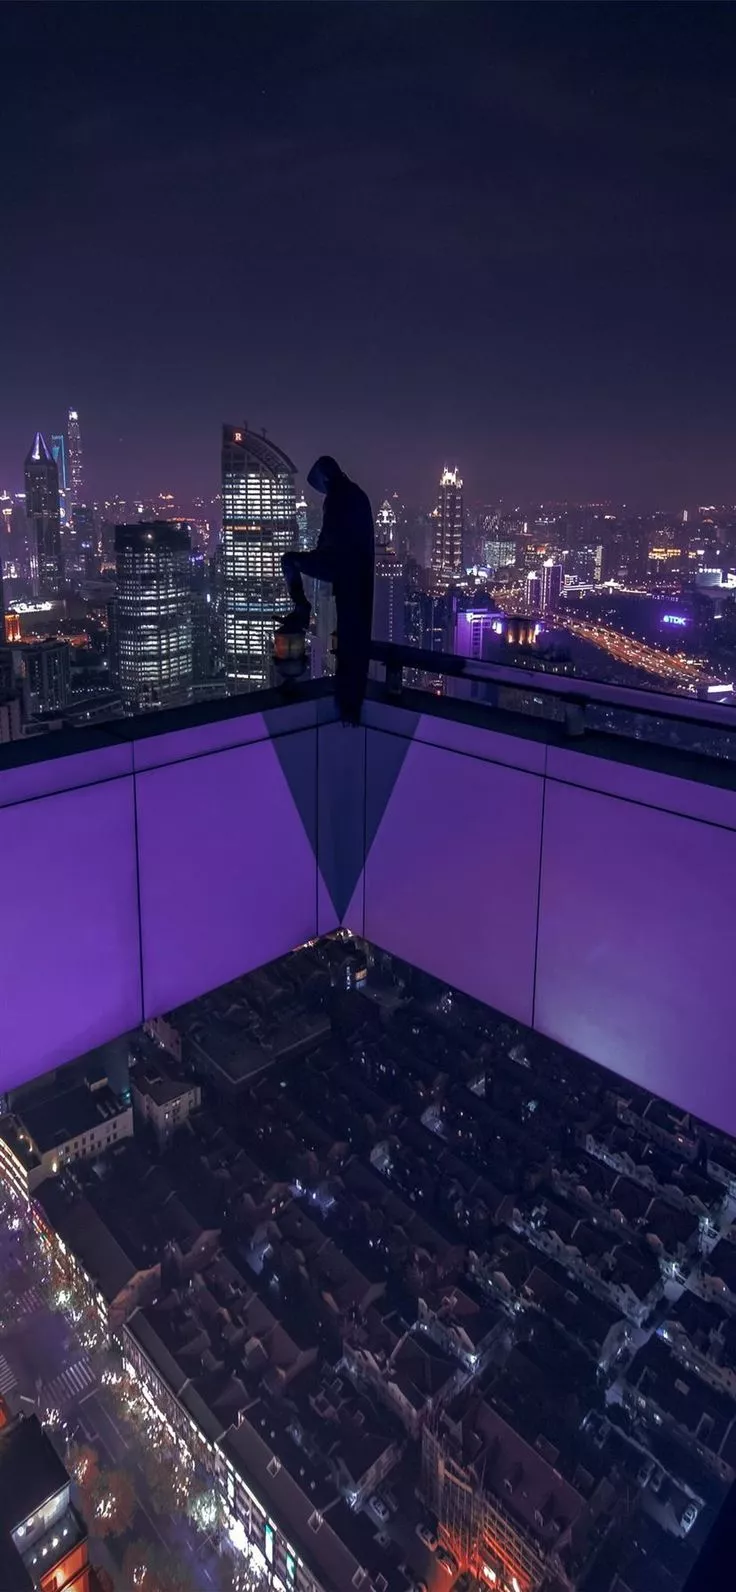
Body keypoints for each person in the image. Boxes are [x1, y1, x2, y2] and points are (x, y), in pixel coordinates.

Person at [281, 455, 375, 724]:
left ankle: (302, 607)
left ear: (324, 478)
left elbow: (329, 541)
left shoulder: (337, 497)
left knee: (289, 560)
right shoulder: (357, 494)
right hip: (356, 574)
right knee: (351, 635)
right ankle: (350, 701)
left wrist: (315, 557)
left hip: (341, 567)